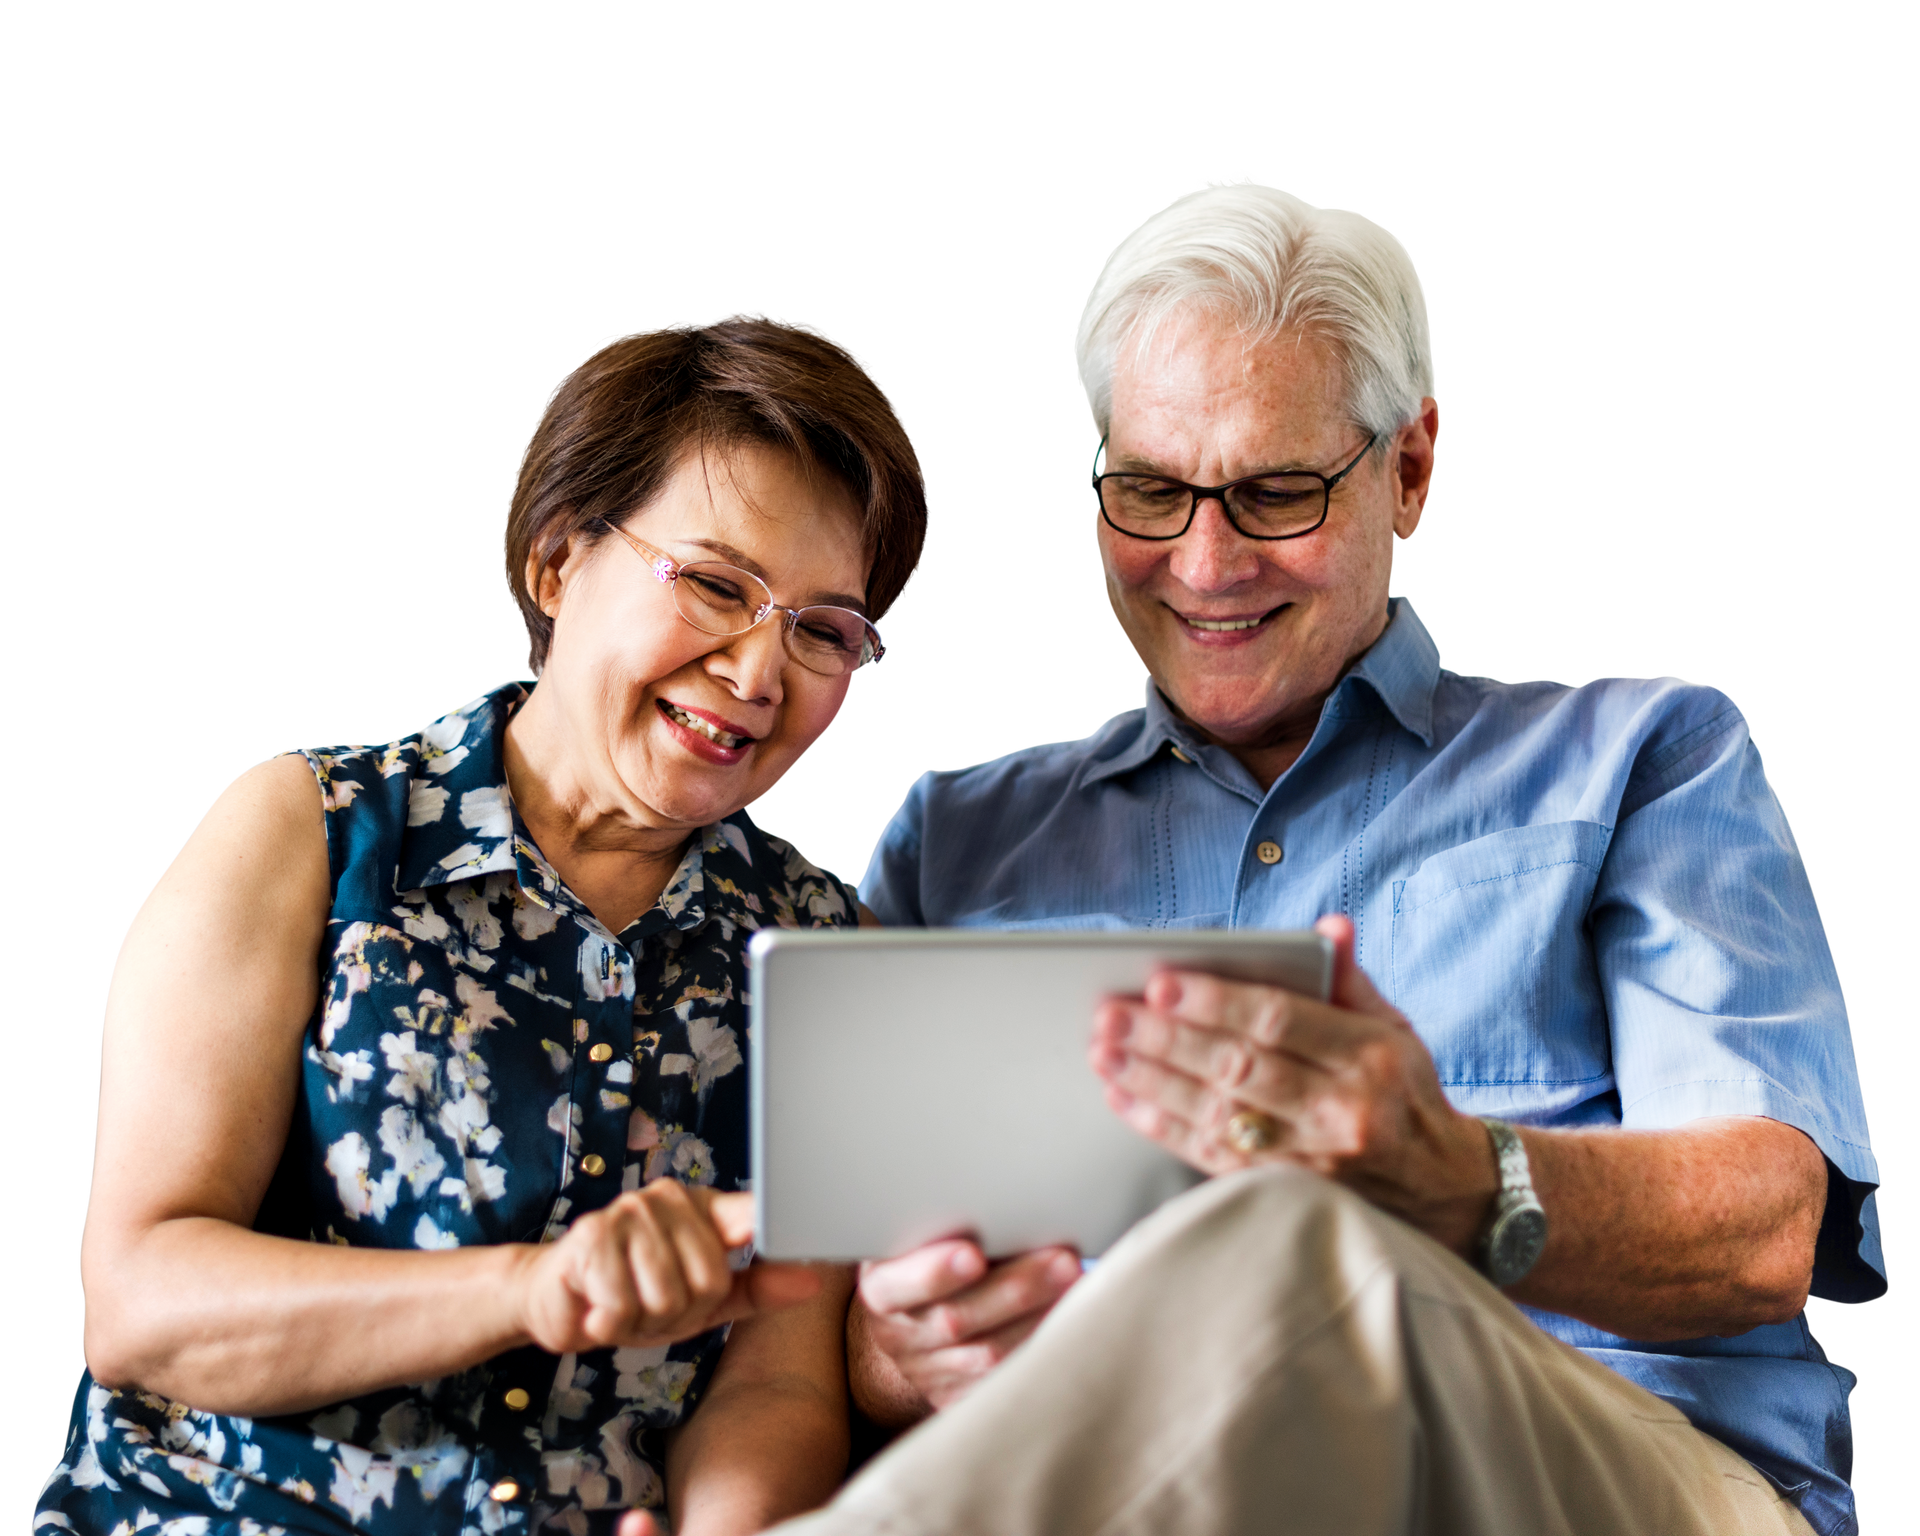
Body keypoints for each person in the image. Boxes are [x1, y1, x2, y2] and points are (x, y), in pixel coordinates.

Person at [804, 173, 1883, 1535]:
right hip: (1117, 1494)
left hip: (1620, 1476)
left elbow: (1767, 1235)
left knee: (1287, 1235)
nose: (1202, 565)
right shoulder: (951, 844)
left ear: (1412, 469)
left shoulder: (1644, 758)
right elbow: (833, 1329)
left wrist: (1459, 1181)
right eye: (1148, 493)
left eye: (1273, 495)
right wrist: (900, 1361)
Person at [34, 310, 929, 1535]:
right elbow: (142, 1306)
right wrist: (534, 1288)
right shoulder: (310, 829)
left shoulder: (828, 945)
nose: (760, 672)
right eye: (718, 584)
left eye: (823, 630)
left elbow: (775, 1382)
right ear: (557, 562)